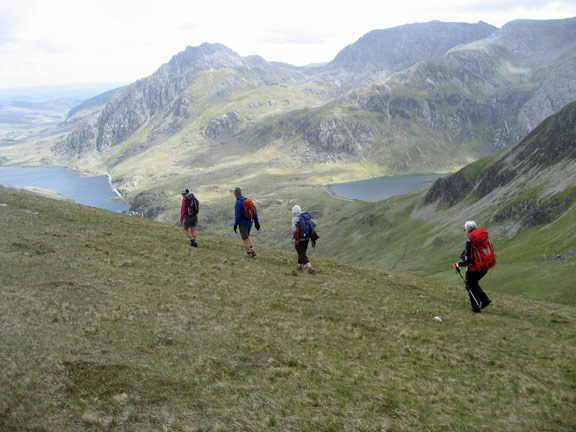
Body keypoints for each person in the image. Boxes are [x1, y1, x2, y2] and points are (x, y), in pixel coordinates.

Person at [453, 220, 493, 312]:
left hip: (474, 268)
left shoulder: (470, 242)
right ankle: (485, 300)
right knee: (473, 283)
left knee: (470, 285)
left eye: (465, 230)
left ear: (467, 230)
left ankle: (476, 307)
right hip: (485, 266)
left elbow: (470, 260)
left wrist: (458, 264)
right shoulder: (484, 239)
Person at [233, 187, 260, 258]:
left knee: (245, 239)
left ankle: (249, 254)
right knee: (247, 236)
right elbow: (254, 211)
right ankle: (252, 250)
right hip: (250, 222)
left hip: (243, 224)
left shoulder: (238, 203)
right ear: (241, 193)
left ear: (235, 195)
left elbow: (237, 215)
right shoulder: (248, 201)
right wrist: (256, 222)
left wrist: (235, 225)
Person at [291, 205, 317, 274]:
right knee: (302, 253)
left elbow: (294, 230)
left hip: (298, 240)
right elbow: (315, 223)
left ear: (294, 212)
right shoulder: (306, 216)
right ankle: (299, 267)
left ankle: (311, 269)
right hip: (307, 239)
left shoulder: (295, 218)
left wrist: (293, 236)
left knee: (302, 254)